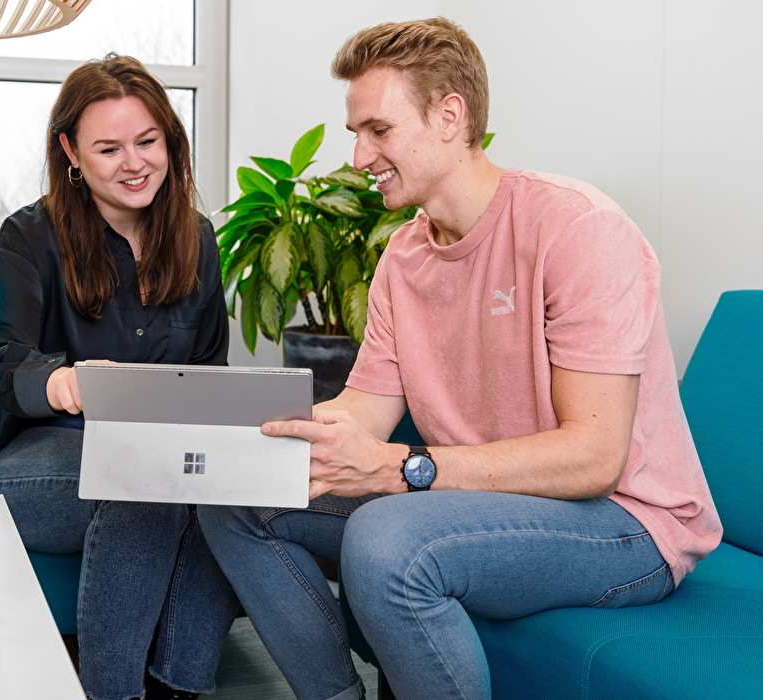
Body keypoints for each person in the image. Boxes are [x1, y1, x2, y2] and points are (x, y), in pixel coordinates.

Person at [197, 18, 723, 700]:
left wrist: (402, 468)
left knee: (390, 541)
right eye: (356, 132)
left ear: (450, 116)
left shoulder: (577, 229)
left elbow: (597, 458)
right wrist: (257, 441)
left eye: (377, 130)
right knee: (235, 503)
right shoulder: (403, 257)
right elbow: (363, 413)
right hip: (479, 500)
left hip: (627, 522)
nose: (358, 157)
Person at [0, 54, 239, 700]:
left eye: (148, 141)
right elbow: (0, 364)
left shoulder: (198, 239)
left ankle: (177, 687)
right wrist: (62, 382)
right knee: (143, 473)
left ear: (171, 143)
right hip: (18, 464)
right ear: (71, 152)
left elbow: (211, 372)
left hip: (148, 459)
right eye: (109, 148)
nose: (134, 163)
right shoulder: (27, 238)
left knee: (217, 483)